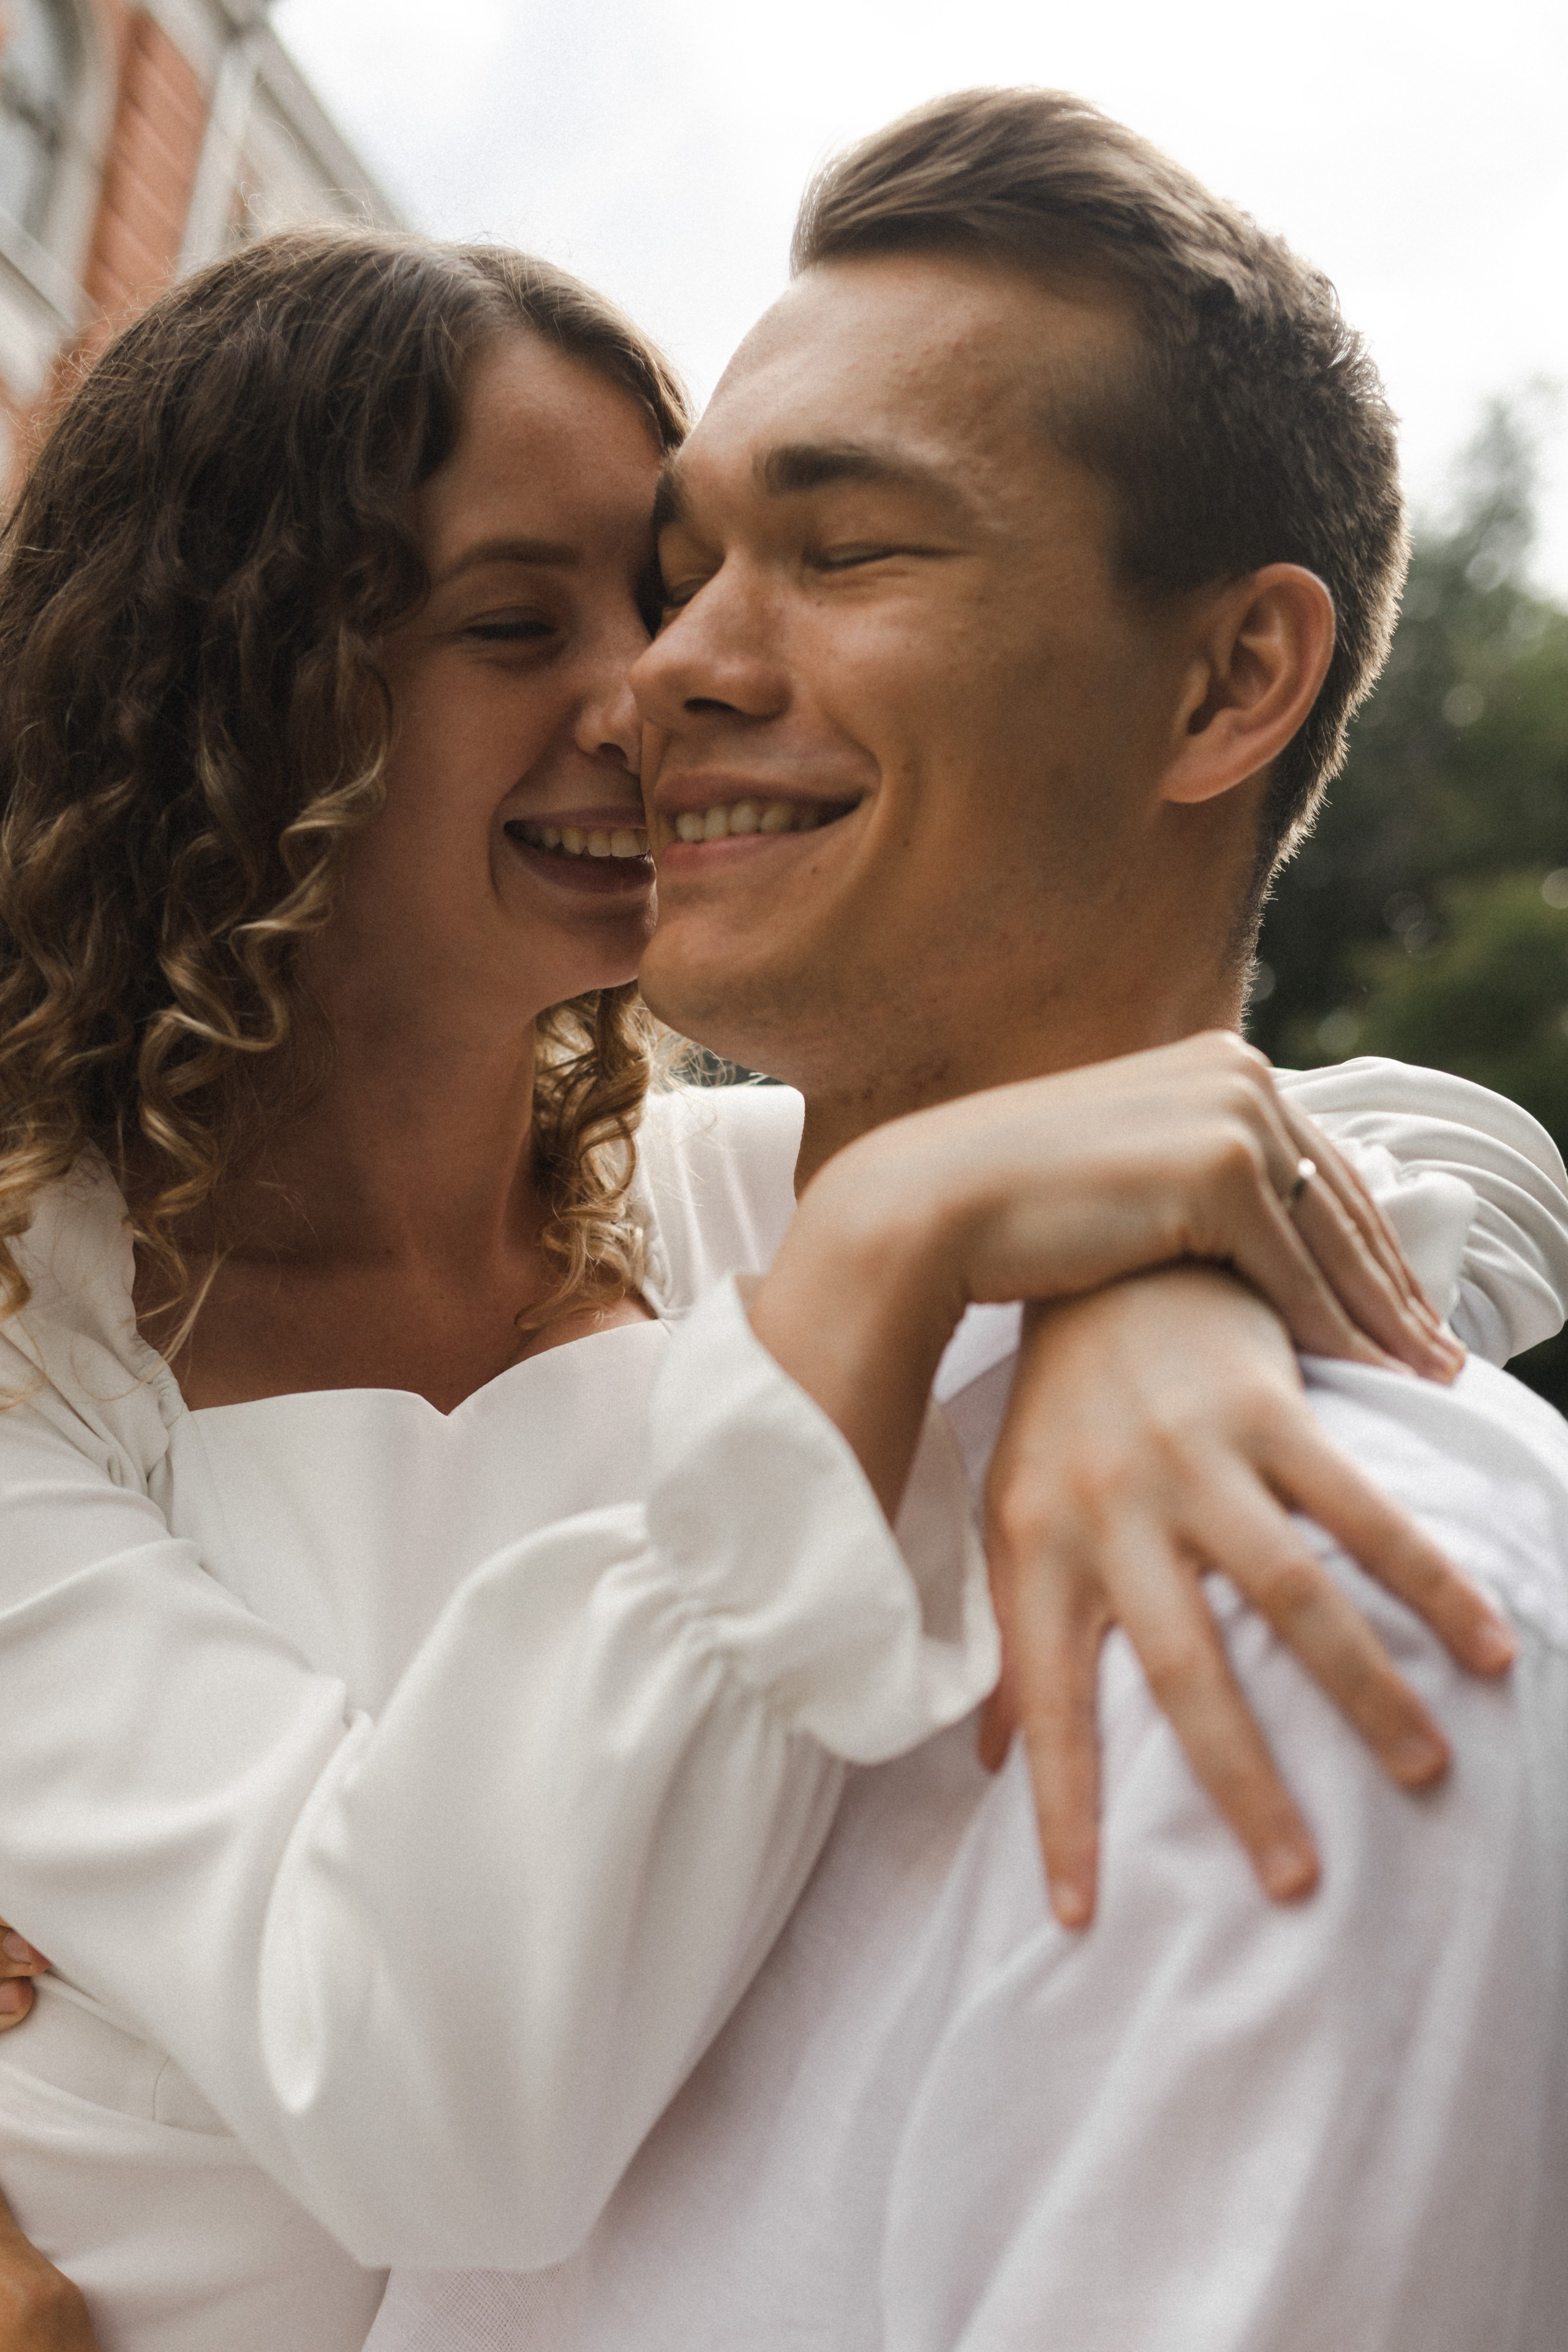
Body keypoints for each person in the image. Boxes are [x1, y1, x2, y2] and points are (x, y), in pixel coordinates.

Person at [0, 220, 1528, 2352]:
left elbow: (1454, 1150)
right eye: (512, 621)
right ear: (226, 696)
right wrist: (906, 1256)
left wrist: (1148, 1296)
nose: (648, 689)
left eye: (656, 592)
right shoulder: (34, 1381)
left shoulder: (729, 1202)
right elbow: (416, 2084)